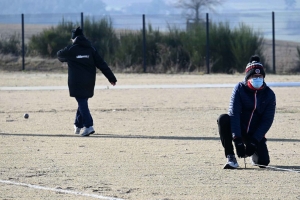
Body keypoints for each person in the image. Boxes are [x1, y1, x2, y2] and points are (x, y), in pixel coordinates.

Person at [217, 55, 276, 169]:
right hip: (239, 128)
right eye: (254, 76)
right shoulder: (239, 89)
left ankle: (253, 155)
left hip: (254, 133)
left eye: (260, 76)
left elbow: (267, 121)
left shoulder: (269, 94)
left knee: (263, 162)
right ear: (248, 77)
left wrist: (254, 140)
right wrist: (237, 139)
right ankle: (231, 158)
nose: (258, 78)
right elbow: (234, 114)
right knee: (223, 119)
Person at [57, 27, 117, 136]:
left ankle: (88, 126)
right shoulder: (91, 49)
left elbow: (59, 55)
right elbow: (102, 64)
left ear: (73, 38)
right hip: (89, 82)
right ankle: (78, 125)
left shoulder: (71, 49)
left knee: (81, 102)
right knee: (83, 101)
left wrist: (69, 52)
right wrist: (111, 78)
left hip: (76, 82)